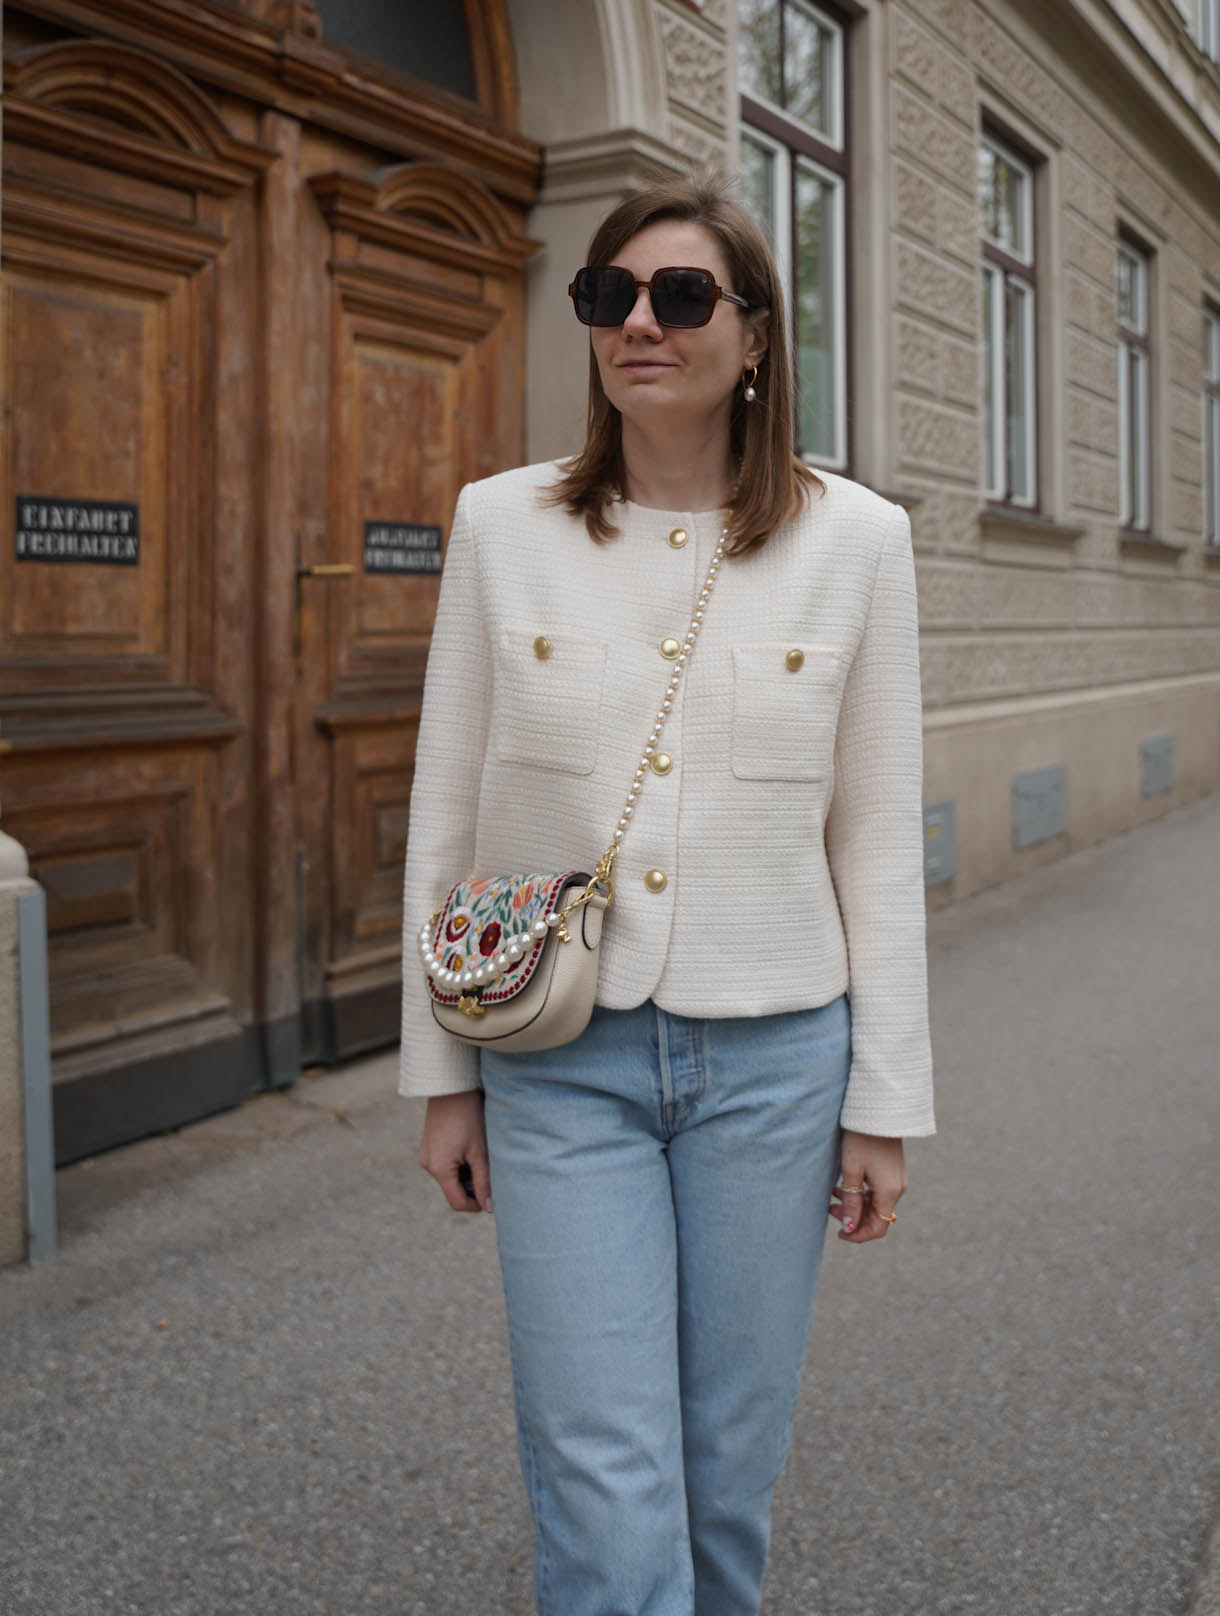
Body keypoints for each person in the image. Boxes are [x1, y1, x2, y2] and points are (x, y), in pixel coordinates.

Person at [400, 171, 934, 1616]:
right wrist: (441, 1073)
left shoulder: (857, 542)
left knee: (721, 1464)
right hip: (555, 1059)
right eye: (609, 295)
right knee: (600, 1468)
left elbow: (875, 838)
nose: (639, 321)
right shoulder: (502, 525)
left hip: (775, 1060)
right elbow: (445, 808)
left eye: (681, 294)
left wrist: (882, 1102)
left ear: (754, 333)